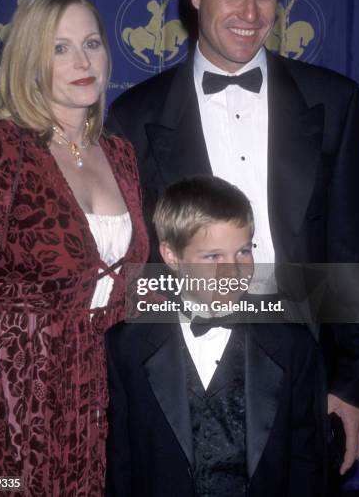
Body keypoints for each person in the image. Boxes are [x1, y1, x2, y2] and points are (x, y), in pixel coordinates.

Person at [106, 0, 359, 476]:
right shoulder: (134, 115)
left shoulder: (335, 101)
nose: (252, 15)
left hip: (303, 370)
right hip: (181, 375)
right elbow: (135, 266)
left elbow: (354, 253)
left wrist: (354, 388)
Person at [0, 0, 148, 495]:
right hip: (17, 403)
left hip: (102, 402)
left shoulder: (121, 154)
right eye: (59, 48)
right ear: (30, 61)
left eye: (91, 42)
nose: (82, 60)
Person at [105, 175, 325, 497]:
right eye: (213, 257)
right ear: (171, 256)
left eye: (243, 252)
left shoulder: (293, 345)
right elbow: (122, 467)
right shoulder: (127, 347)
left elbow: (306, 464)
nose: (233, 272)